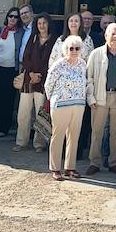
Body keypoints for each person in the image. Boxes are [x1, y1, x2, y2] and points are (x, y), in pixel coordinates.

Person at [85, 23, 116, 175]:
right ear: (105, 36)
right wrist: (90, 98)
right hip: (100, 97)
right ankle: (95, 162)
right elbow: (89, 78)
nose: (115, 37)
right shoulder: (96, 54)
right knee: (97, 131)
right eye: (112, 34)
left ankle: (114, 162)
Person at [43, 34, 88, 178]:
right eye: (71, 48)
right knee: (58, 135)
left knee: (74, 136)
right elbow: (48, 85)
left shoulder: (82, 64)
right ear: (65, 49)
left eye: (77, 48)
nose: (74, 51)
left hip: (78, 104)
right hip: (61, 105)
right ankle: (55, 168)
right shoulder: (58, 65)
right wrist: (53, 99)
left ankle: (70, 167)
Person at [15, 13, 54, 153]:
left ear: (48, 24)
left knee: (41, 113)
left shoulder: (54, 40)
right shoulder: (33, 38)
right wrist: (31, 73)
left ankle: (39, 143)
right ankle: (21, 141)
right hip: (28, 81)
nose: (41, 26)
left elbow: (52, 61)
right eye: (39, 23)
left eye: (44, 23)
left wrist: (40, 76)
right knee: (23, 113)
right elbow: (26, 58)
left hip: (43, 82)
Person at [0, 7, 24, 138]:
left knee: (8, 99)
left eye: (15, 17)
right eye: (11, 16)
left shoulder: (20, 33)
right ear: (7, 17)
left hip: (11, 69)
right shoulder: (0, 31)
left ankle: (4, 128)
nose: (12, 19)